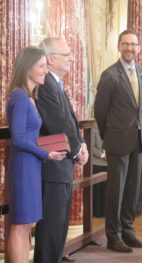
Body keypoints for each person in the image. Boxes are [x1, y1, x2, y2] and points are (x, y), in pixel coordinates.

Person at [6, 46, 66, 263]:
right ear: (27, 68)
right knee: (21, 225)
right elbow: (19, 138)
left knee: (25, 225)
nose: (45, 71)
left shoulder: (29, 97)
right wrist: (46, 154)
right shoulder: (19, 97)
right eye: (41, 66)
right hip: (23, 167)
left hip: (31, 166)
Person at [94, 29, 142, 253]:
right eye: (125, 44)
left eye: (133, 44)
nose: (129, 48)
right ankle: (113, 236)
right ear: (119, 47)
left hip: (138, 139)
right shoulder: (110, 75)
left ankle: (128, 231)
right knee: (116, 190)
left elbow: (140, 109)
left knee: (133, 189)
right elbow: (100, 111)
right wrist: (108, 137)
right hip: (117, 141)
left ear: (139, 48)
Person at [34, 37, 89, 263]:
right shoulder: (46, 82)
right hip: (53, 165)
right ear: (50, 58)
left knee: (59, 225)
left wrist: (82, 144)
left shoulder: (55, 82)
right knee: (51, 228)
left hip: (62, 164)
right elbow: (58, 122)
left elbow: (70, 121)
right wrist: (77, 150)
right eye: (66, 55)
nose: (70, 59)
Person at [92, 126, 107, 217]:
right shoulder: (94, 128)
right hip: (97, 163)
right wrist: (102, 155)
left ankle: (105, 212)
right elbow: (91, 146)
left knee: (106, 190)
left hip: (108, 163)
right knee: (97, 190)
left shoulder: (110, 127)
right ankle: (97, 212)